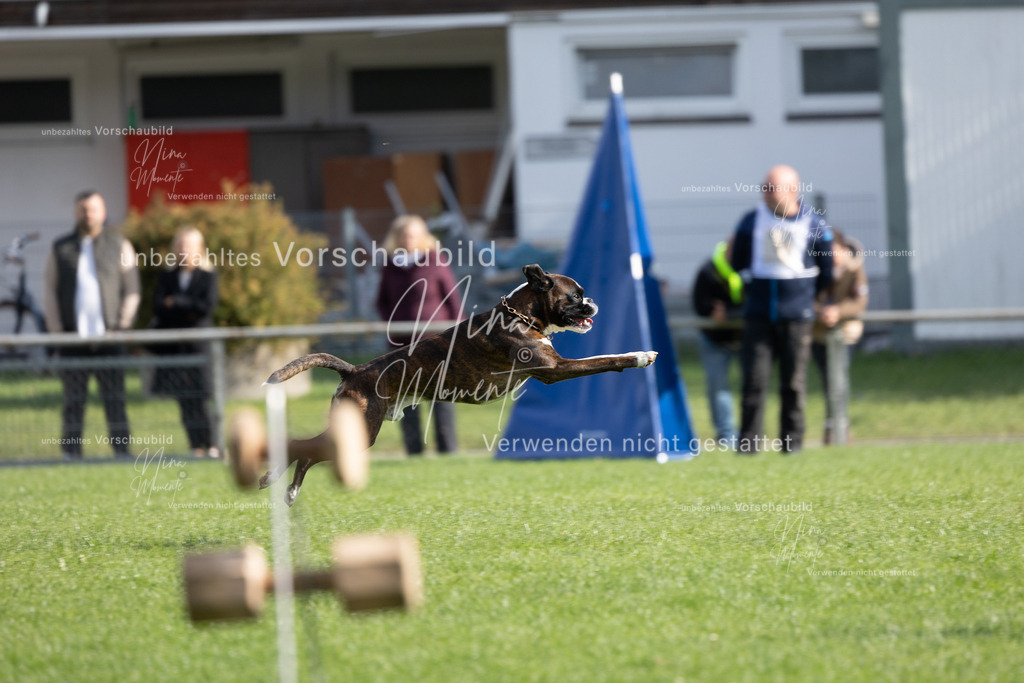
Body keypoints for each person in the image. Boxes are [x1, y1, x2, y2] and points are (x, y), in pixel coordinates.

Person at [730, 166, 833, 454]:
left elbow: (827, 270)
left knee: (793, 385)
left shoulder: (814, 224)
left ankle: (792, 446)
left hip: (797, 318)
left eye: (770, 188)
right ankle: (748, 447)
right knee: (753, 383)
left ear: (792, 190)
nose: (764, 193)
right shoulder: (751, 221)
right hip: (758, 316)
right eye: (764, 187)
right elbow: (738, 261)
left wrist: (811, 300)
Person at [43, 190, 140, 459]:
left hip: (110, 339)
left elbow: (132, 289)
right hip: (73, 341)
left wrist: (122, 324)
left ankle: (122, 452)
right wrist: (56, 331)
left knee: (115, 400)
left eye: (93, 209)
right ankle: (71, 453)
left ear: (103, 212)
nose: (88, 214)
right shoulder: (60, 247)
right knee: (73, 401)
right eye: (84, 209)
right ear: (76, 212)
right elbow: (49, 289)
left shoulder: (119, 244)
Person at [376, 215, 463, 456]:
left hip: (436, 342)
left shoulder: (436, 261)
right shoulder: (391, 264)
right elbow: (382, 301)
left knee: (441, 396)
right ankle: (414, 451)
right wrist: (392, 325)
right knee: (406, 398)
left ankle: (448, 450)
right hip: (402, 344)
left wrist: (460, 334)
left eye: (413, 234)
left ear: (423, 236)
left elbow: (452, 299)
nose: (409, 239)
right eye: (404, 234)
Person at [151, 226, 220, 458]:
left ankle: (212, 444)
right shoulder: (168, 276)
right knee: (184, 400)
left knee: (201, 397)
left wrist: (177, 302)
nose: (184, 250)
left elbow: (205, 308)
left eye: (189, 246)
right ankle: (195, 446)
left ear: (199, 249)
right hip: (175, 349)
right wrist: (185, 306)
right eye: (180, 245)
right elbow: (159, 307)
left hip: (198, 348)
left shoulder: (208, 276)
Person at [811, 228, 868, 445]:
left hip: (845, 333)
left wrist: (838, 312)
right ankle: (831, 425)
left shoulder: (854, 267)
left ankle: (841, 427)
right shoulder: (815, 267)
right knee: (828, 380)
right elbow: (807, 296)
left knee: (839, 380)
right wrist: (821, 312)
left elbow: (860, 301)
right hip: (819, 333)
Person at [691, 238, 744, 447]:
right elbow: (700, 304)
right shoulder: (708, 270)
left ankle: (750, 433)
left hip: (746, 338)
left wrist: (729, 313)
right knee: (718, 387)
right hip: (715, 339)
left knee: (753, 386)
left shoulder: (751, 267)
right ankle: (726, 436)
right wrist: (713, 311)